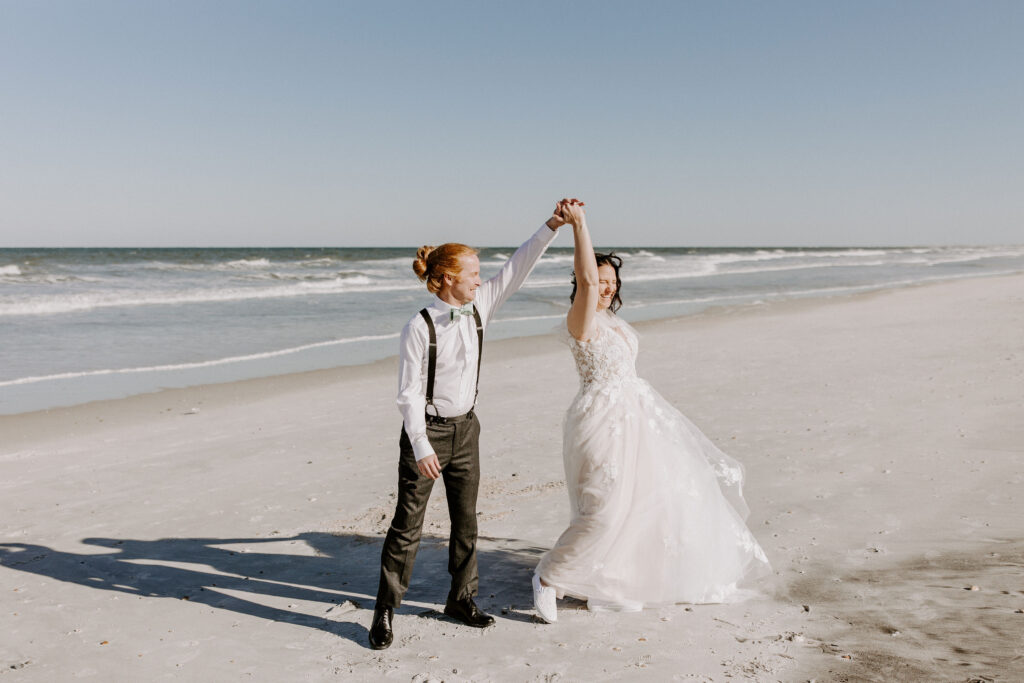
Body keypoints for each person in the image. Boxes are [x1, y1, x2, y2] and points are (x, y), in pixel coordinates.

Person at [531, 201, 770, 622]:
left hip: (641, 418)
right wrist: (580, 225)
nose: (605, 287)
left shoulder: (614, 321)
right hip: (600, 420)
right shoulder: (580, 319)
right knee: (602, 508)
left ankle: (614, 575)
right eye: (600, 280)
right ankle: (548, 577)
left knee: (647, 503)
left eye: (612, 281)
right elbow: (586, 280)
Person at [369, 201, 568, 649]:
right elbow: (408, 393)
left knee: (466, 522)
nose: (481, 279)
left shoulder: (481, 307)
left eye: (480, 274)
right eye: (473, 273)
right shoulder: (418, 326)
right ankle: (385, 608)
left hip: (467, 429)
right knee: (407, 525)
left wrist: (551, 225)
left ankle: (461, 599)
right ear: (446, 279)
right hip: (428, 433)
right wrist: (420, 443)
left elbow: (520, 265)